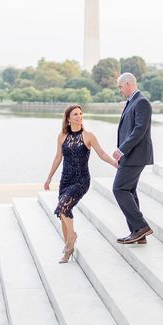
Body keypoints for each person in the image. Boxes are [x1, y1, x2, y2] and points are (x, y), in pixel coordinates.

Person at [44, 103, 117, 263]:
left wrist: (114, 164)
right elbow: (58, 158)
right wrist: (49, 177)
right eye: (75, 114)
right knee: (63, 213)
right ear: (69, 119)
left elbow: (102, 153)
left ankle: (71, 239)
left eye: (80, 113)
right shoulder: (62, 136)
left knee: (63, 206)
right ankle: (67, 249)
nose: (79, 116)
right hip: (65, 179)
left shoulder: (88, 135)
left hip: (81, 179)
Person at [112, 72, 154, 244]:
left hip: (135, 156)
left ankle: (142, 226)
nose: (120, 90)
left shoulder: (142, 102)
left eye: (120, 87)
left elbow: (139, 131)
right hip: (130, 156)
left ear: (128, 84)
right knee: (129, 190)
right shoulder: (132, 102)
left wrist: (121, 150)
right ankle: (138, 233)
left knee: (119, 189)